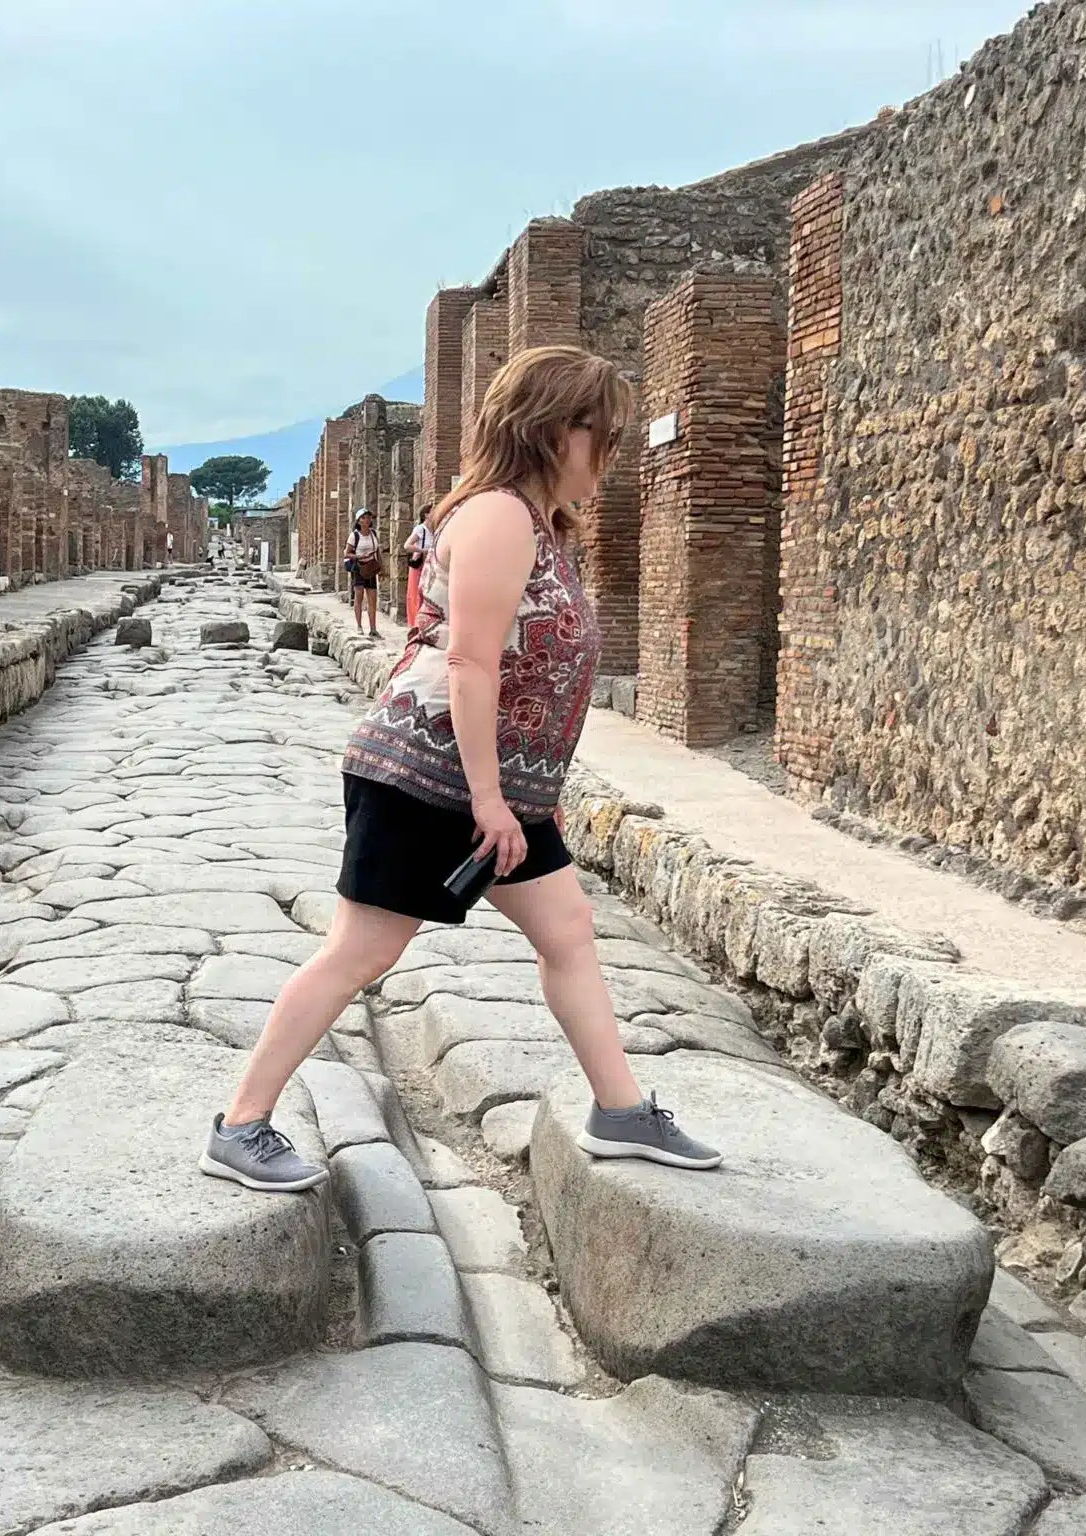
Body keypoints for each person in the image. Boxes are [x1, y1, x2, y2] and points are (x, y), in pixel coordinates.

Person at [202, 345, 721, 1191]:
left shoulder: (542, 526)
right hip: (428, 778)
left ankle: (621, 1111)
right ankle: (240, 1123)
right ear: (553, 430)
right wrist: (489, 800)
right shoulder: (498, 518)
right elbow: (472, 664)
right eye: (605, 434)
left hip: (497, 788)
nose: (613, 453)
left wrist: (521, 797)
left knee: (568, 931)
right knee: (360, 953)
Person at [345, 508, 382, 639]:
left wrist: (381, 566)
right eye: (364, 517)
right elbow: (347, 553)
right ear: (359, 521)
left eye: (369, 517)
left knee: (372, 598)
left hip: (371, 567)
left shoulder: (373, 534)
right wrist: (359, 556)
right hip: (359, 568)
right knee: (359, 596)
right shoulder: (354, 536)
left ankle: (373, 628)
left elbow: (377, 551)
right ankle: (359, 626)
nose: (367, 520)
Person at [402, 504, 432, 631]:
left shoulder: (434, 530)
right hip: (420, 564)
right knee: (417, 594)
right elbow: (407, 545)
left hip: (430, 565)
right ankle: (415, 624)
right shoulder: (421, 529)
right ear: (426, 514)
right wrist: (422, 550)